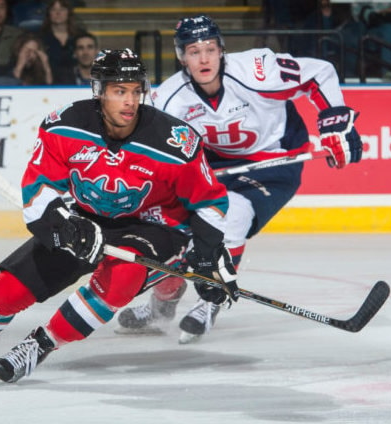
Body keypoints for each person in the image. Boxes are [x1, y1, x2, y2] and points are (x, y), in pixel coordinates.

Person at [0, 48, 237, 384]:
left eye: (136, 91)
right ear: (99, 91)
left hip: (154, 226)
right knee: (10, 288)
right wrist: (65, 227)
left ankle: (41, 345)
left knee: (120, 278)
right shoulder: (65, 126)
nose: (130, 102)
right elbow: (38, 193)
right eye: (119, 91)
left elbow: (208, 202)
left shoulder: (173, 142)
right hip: (87, 217)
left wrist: (208, 252)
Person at [117, 15, 362, 344]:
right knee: (167, 232)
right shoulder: (170, 99)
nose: (203, 58)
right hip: (214, 167)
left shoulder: (258, 69)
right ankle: (162, 307)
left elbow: (320, 74)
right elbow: (149, 152)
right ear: (181, 57)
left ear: (222, 50)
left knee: (230, 216)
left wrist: (334, 125)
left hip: (273, 163)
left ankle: (210, 300)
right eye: (193, 51)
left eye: (209, 49)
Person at [39, 0, 85, 85]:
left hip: (77, 83)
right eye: (53, 9)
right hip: (47, 83)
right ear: (49, 14)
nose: (58, 13)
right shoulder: (40, 38)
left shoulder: (81, 36)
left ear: (69, 12)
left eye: (62, 9)